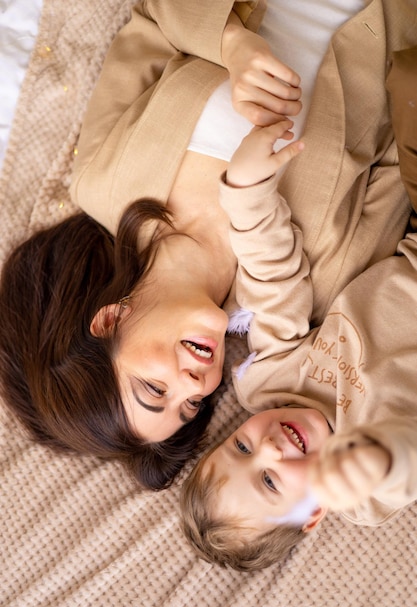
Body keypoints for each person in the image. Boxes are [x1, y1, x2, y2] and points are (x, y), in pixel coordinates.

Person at [0, 0, 414, 490]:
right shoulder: (313, 286)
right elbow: (398, 153)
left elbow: (154, 19)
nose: (196, 387)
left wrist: (229, 45)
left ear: (109, 319)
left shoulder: (101, 180)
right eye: (190, 406)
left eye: (155, 389)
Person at [180, 46, 417, 572]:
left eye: (240, 447)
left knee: (411, 76)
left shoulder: (269, 381)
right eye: (268, 481)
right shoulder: (362, 495)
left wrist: (247, 194)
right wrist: (378, 459)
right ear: (312, 515)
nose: (267, 448)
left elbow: (273, 280)